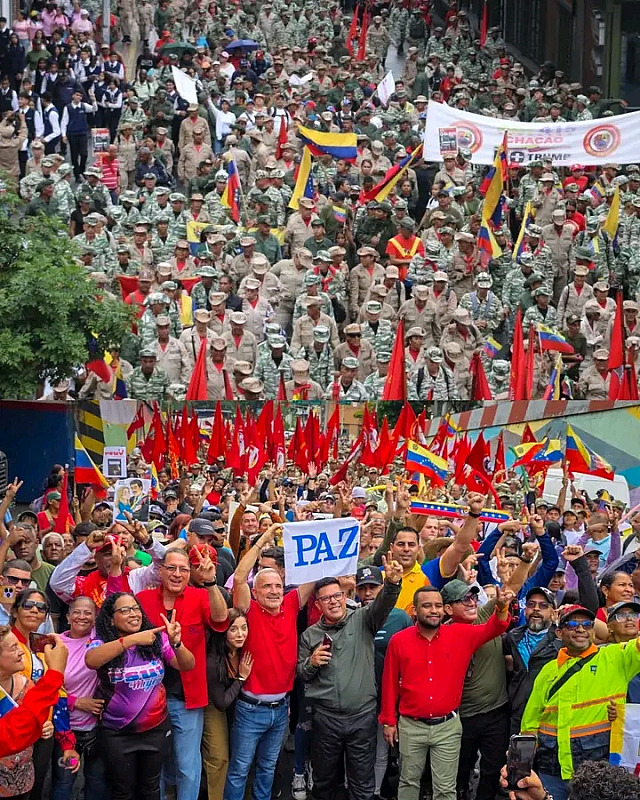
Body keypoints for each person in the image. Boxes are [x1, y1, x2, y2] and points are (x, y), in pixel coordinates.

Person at [379, 584, 513, 800]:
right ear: (414, 609)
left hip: (447, 727)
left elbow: (494, 628)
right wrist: (388, 721)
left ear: (444, 610)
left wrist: (502, 607)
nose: (433, 610)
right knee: (408, 782)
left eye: (438, 606)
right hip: (411, 726)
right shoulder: (399, 641)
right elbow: (390, 683)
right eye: (427, 606)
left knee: (445, 788)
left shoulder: (460, 634)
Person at [297, 556, 403, 800]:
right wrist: (311, 663)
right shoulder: (310, 635)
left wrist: (393, 584)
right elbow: (302, 674)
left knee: (362, 782)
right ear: (318, 604)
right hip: (326, 719)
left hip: (361, 717)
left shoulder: (364, 619)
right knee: (324, 781)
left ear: (345, 597)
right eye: (326, 598)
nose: (333, 602)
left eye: (337, 596)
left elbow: (384, 604)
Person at [226, 522, 314, 800]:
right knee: (240, 769)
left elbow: (316, 572)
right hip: (250, 709)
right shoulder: (248, 609)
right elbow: (239, 577)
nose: (275, 591)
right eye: (267, 586)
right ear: (255, 591)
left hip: (281, 709)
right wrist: (264, 540)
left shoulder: (290, 604)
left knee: (267, 767)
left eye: (279, 585)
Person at [521, 604, 640, 800]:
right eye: (572, 624)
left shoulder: (615, 657)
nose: (580, 629)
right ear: (559, 632)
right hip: (552, 769)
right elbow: (530, 721)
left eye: (587, 624)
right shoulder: (548, 670)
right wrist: (523, 762)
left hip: (597, 772)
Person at [85, 591, 195, 800]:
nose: (133, 614)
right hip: (117, 732)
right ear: (111, 618)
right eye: (125, 610)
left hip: (155, 729)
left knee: (150, 788)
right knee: (122, 790)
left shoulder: (156, 640)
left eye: (136, 608)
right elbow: (91, 660)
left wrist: (176, 643)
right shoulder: (101, 642)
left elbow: (187, 665)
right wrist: (132, 639)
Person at [10, 589, 78, 799]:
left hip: (44, 734)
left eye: (41, 608)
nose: (34, 611)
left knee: (35, 791)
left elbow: (58, 692)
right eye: (28, 605)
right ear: (14, 611)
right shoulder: (6, 643)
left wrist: (66, 741)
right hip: (13, 732)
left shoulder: (44, 646)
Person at [52, 597, 108, 800]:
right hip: (66, 732)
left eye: (88, 613)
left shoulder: (99, 641)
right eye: (76, 612)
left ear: (95, 618)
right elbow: (46, 689)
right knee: (64, 783)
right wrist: (77, 702)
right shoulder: (54, 644)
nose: (82, 617)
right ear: (67, 617)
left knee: (96, 782)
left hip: (96, 731)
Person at [204, 609, 253, 800]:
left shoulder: (241, 649)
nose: (240, 634)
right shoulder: (214, 660)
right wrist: (241, 678)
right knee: (219, 756)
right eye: (233, 630)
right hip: (213, 705)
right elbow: (221, 702)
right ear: (223, 632)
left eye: (244, 628)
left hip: (236, 705)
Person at [0, 634, 69, 758]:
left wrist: (42, 725)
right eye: (13, 647)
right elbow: (11, 735)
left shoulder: (25, 684)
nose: (22, 652)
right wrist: (54, 674)